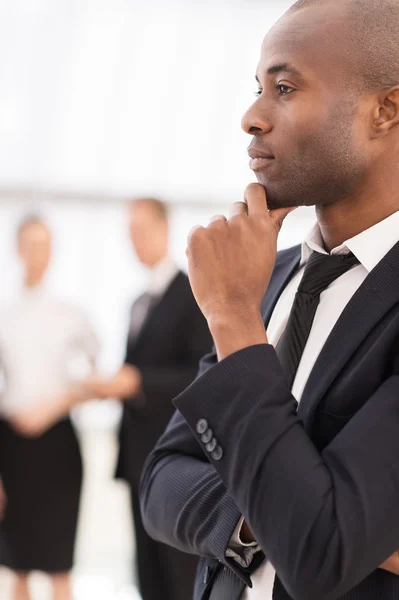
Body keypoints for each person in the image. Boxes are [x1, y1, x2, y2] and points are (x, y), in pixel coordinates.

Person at [139, 1, 399, 599]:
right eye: (257, 88)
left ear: (385, 110)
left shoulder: (238, 294)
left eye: (284, 87)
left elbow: (317, 550)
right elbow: (160, 481)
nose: (251, 117)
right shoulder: (270, 276)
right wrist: (268, 516)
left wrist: (231, 316)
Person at [83, 198, 213, 600]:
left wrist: (136, 381)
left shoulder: (193, 292)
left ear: (164, 229)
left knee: (178, 572)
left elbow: (202, 372)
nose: (135, 240)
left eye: (142, 230)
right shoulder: (137, 301)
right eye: (129, 232)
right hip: (138, 456)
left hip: (176, 454)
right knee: (147, 574)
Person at [0, 215, 99, 600]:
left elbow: (97, 379)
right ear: (17, 250)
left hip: (58, 445)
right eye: (30, 244)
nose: (37, 254)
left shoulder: (72, 314)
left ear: (52, 251)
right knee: (17, 565)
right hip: (11, 445)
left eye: (44, 245)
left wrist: (61, 401)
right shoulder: (4, 315)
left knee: (59, 565)